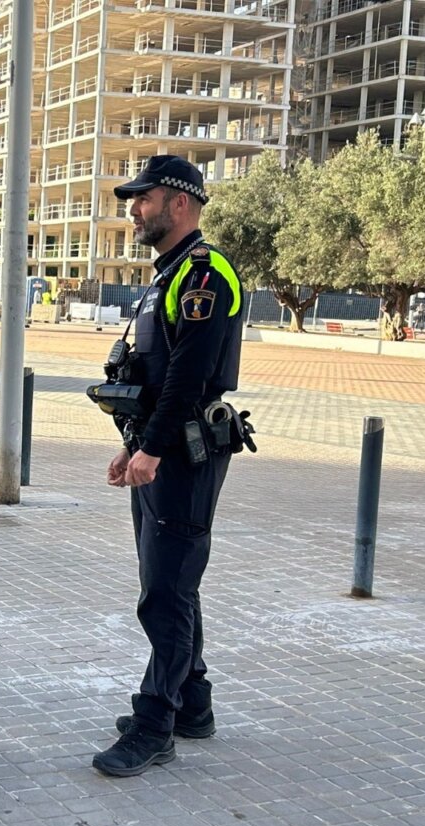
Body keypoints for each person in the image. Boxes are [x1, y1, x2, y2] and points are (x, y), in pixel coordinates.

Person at [93, 155, 246, 777]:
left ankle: (155, 722)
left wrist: (151, 450)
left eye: (143, 197)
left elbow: (189, 376)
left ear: (179, 202)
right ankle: (192, 704)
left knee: (165, 594)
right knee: (176, 584)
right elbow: (154, 378)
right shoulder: (171, 275)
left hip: (183, 455)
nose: (134, 207)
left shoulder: (208, 277)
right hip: (161, 449)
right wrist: (136, 444)